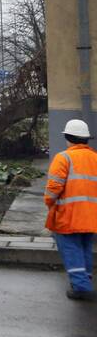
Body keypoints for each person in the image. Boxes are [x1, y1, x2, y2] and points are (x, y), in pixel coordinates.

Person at [45, 119, 97, 300]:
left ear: (68, 137)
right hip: (91, 217)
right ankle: (85, 281)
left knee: (71, 250)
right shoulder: (95, 158)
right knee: (84, 249)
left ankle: (81, 287)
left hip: (69, 216)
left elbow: (53, 188)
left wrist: (49, 202)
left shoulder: (63, 158)